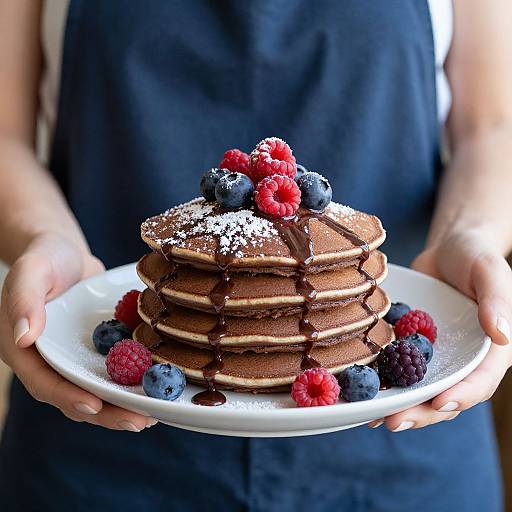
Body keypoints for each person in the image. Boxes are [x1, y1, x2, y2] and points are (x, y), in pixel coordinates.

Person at [0, 0, 511, 510]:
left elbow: (491, 126)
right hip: (98, 438)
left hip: (400, 439)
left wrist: (471, 234)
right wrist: (41, 236)